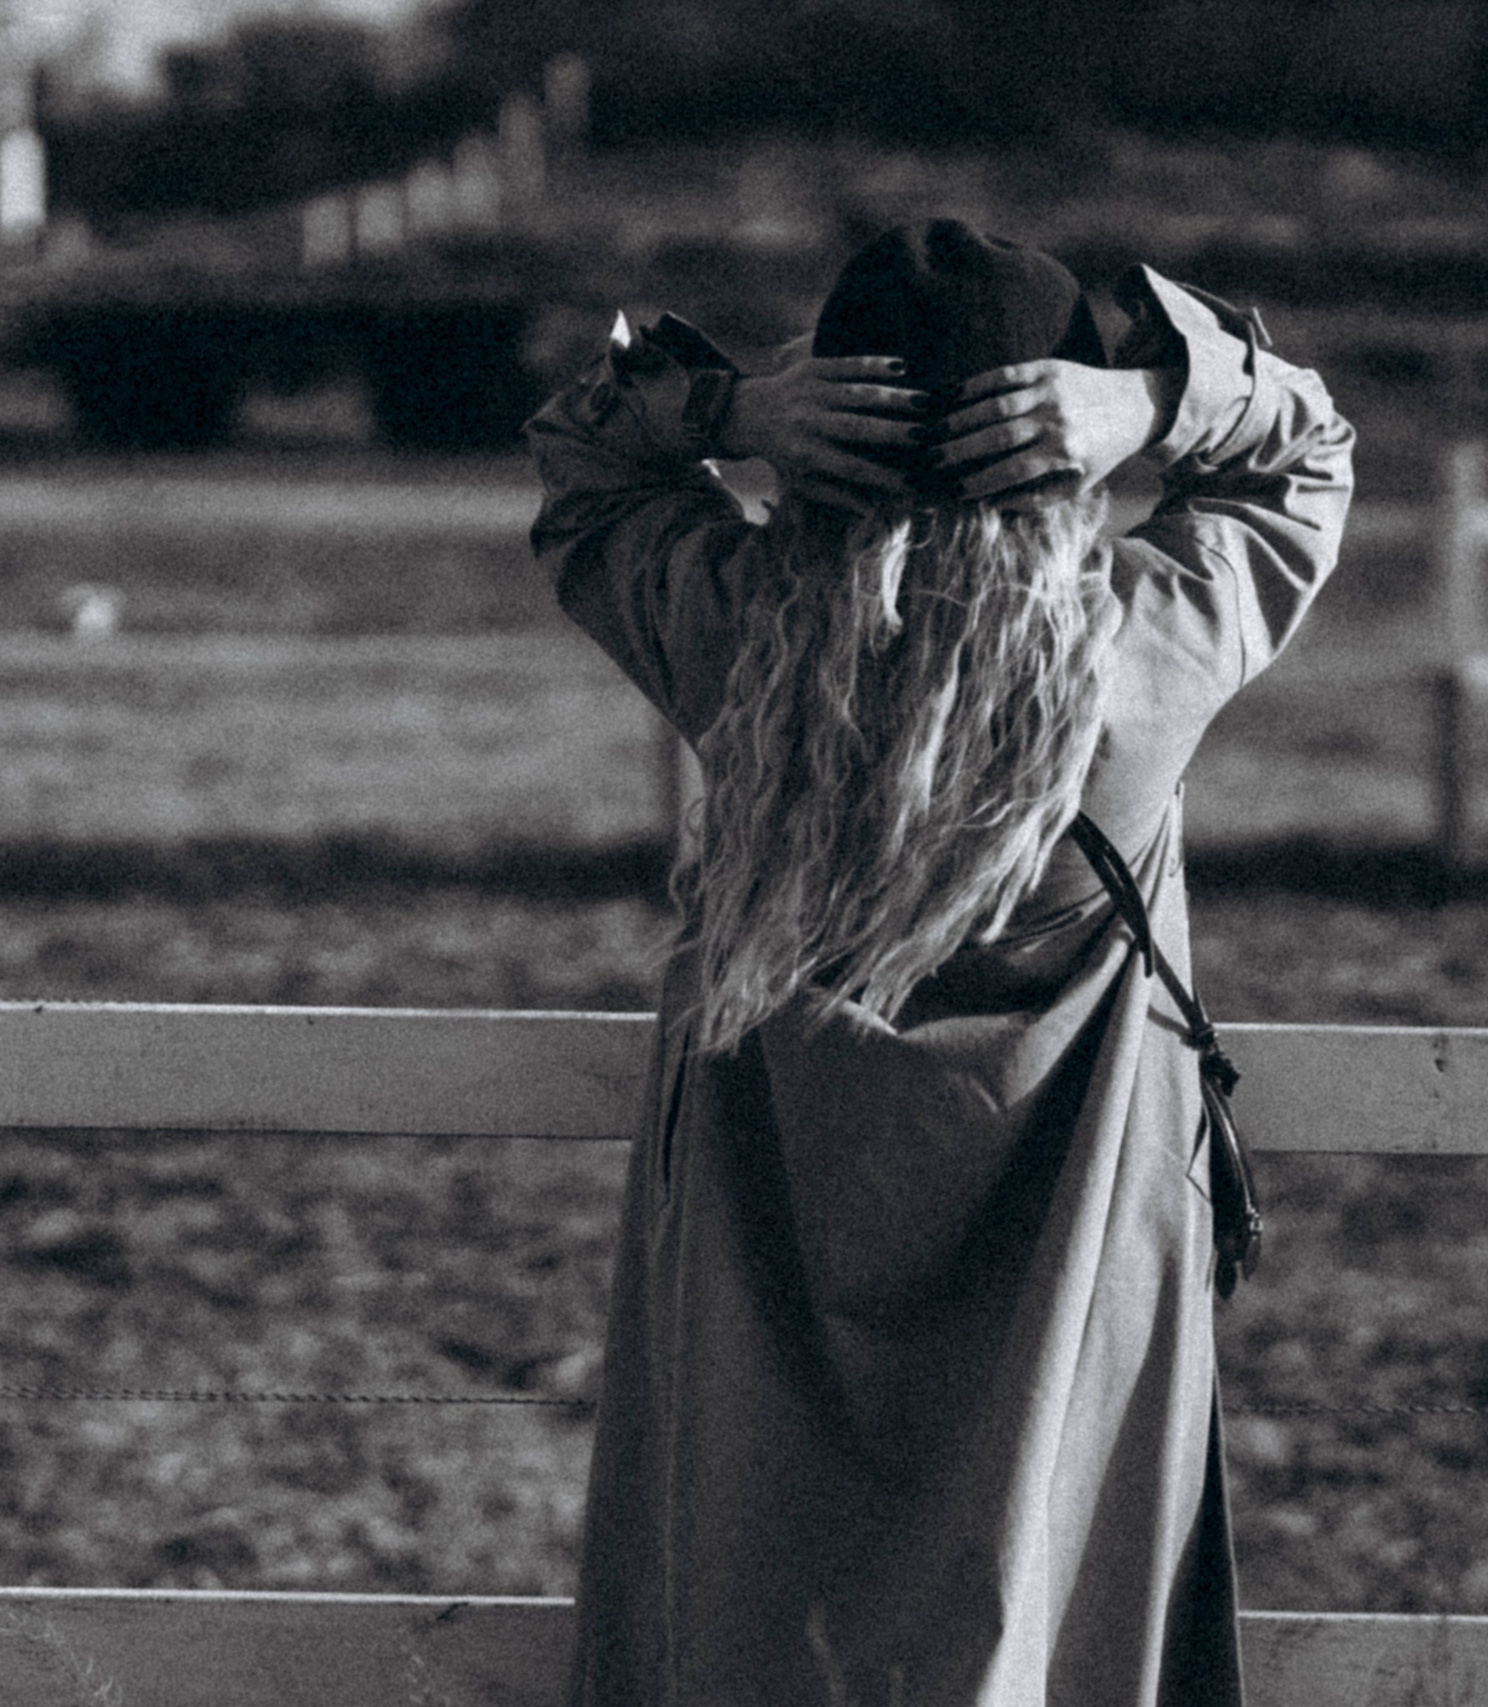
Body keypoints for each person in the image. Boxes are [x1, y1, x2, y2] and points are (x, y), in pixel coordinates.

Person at [527, 219, 1353, 1704]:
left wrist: (730, 412)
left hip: (762, 1311)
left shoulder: (740, 648)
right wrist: (1154, 408)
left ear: (824, 440)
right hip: (1064, 1310)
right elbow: (1305, 454)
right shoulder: (1136, 662)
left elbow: (587, 461)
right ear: (1062, 451)